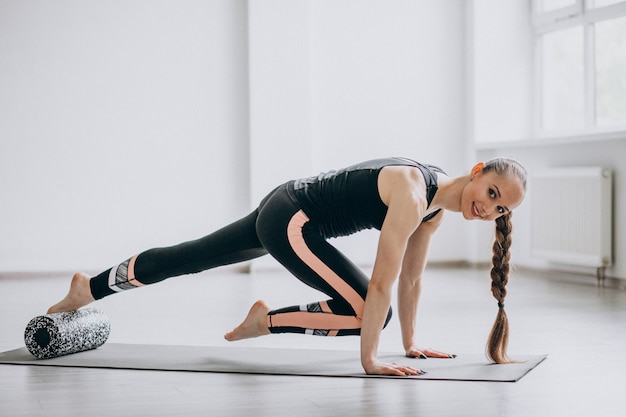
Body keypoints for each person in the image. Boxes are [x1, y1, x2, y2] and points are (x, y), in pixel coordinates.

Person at [47, 156, 527, 376]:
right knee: (370, 313)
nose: (489, 209)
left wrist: (411, 344)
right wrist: (370, 359)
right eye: (492, 194)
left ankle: (88, 288)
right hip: (292, 218)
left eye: (501, 209)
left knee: (192, 256)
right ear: (479, 170)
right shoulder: (412, 192)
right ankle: (267, 322)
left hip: (287, 204)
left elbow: (412, 278)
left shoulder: (435, 208)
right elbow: (383, 281)